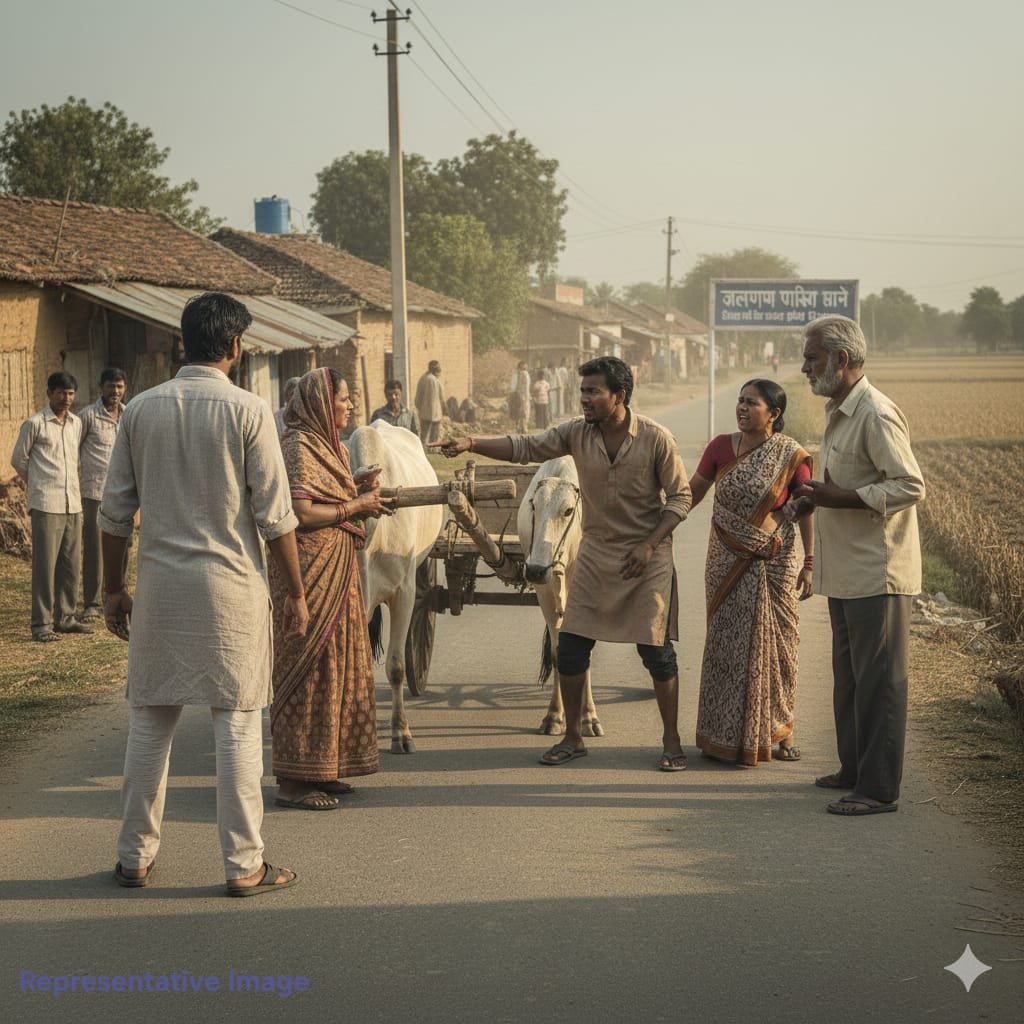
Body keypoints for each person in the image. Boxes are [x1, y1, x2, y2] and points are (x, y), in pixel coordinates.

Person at [100, 291, 307, 895]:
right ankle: (244, 865)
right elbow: (277, 517)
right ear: (236, 347)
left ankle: (134, 857)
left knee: (150, 722)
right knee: (237, 728)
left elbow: (114, 517)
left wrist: (113, 590)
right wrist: (295, 591)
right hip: (232, 596)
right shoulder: (249, 411)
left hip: (162, 593)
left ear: (182, 341)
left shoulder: (140, 409)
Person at [432, 356, 691, 771]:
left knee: (657, 653)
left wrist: (649, 545)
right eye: (583, 391)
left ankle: (672, 741)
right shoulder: (576, 433)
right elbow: (526, 447)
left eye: (593, 392)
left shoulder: (656, 438)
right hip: (595, 551)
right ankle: (572, 737)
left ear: (619, 396)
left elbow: (680, 497)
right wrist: (472, 443)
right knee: (570, 649)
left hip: (646, 556)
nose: (584, 399)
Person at [795, 315, 924, 817]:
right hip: (847, 572)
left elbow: (909, 485)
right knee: (850, 679)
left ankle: (878, 789)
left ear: (840, 360)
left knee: (879, 685)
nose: (805, 368)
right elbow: (839, 485)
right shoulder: (839, 409)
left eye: (812, 359)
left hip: (878, 572)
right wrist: (815, 500)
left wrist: (842, 497)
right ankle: (853, 770)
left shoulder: (874, 412)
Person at [270, 368, 391, 810]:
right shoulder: (299, 446)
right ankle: (293, 781)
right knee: (309, 663)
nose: (350, 406)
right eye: (344, 399)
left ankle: (327, 767)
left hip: (337, 565)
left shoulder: (330, 446)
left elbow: (326, 498)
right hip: (307, 569)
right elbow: (301, 512)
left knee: (339, 659)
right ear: (322, 402)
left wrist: (357, 485)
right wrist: (356, 504)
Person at [688, 379, 814, 766]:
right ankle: (721, 736)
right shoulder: (719, 447)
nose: (742, 408)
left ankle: (781, 730)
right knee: (726, 648)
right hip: (724, 562)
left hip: (772, 564)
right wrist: (656, 526)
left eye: (752, 403)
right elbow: (692, 492)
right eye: (740, 401)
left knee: (780, 648)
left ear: (773, 414)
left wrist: (810, 563)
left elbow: (806, 504)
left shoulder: (792, 454)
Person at [10, 371, 91, 642]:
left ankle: (66, 618)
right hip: (46, 503)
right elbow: (18, 459)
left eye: (70, 393)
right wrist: (39, 485)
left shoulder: (76, 423)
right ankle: (41, 624)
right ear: (49, 394)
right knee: (45, 567)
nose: (65, 398)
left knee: (71, 565)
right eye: (60, 392)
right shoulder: (35, 423)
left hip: (73, 503)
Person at [78, 367, 128, 622]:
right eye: (110, 386)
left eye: (119, 387)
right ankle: (92, 603)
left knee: (124, 545)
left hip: (124, 494)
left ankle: (118, 594)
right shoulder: (87, 416)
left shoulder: (130, 415)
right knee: (96, 548)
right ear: (101, 387)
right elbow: (72, 449)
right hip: (94, 491)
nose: (115, 392)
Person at [414, 360, 445, 446]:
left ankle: (423, 449)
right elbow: (442, 398)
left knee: (423, 436)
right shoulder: (436, 380)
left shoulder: (422, 379)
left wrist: (420, 408)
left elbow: (417, 398)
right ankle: (433, 450)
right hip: (436, 414)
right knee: (434, 436)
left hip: (424, 413)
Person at [509, 361, 531, 434]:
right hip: (521, 395)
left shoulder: (520, 374)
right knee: (523, 411)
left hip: (522, 394)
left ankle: (521, 427)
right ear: (521, 365)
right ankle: (522, 427)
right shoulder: (521, 374)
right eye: (524, 365)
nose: (526, 366)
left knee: (520, 411)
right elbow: (514, 385)